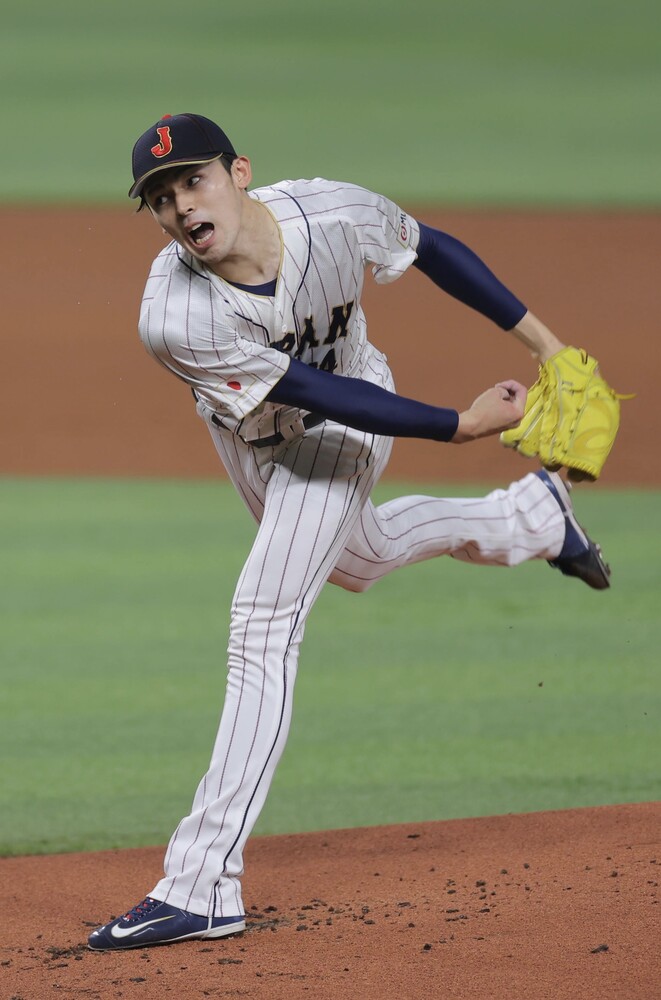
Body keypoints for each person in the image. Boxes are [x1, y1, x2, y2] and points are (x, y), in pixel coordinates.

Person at [88, 113, 610, 952]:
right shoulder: (172, 314)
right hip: (261, 438)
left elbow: (429, 248)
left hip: (354, 408)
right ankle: (531, 516)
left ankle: (201, 883)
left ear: (239, 171)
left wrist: (547, 346)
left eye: (193, 180)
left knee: (262, 620)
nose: (181, 206)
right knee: (357, 559)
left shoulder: (329, 212)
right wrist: (455, 425)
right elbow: (298, 388)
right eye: (159, 197)